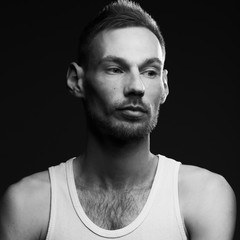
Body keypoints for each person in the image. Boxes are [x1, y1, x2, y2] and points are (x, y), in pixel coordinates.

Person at [0, 0, 236, 239]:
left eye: (150, 72)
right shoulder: (29, 205)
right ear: (76, 81)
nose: (136, 86)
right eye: (115, 69)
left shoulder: (204, 196)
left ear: (164, 85)